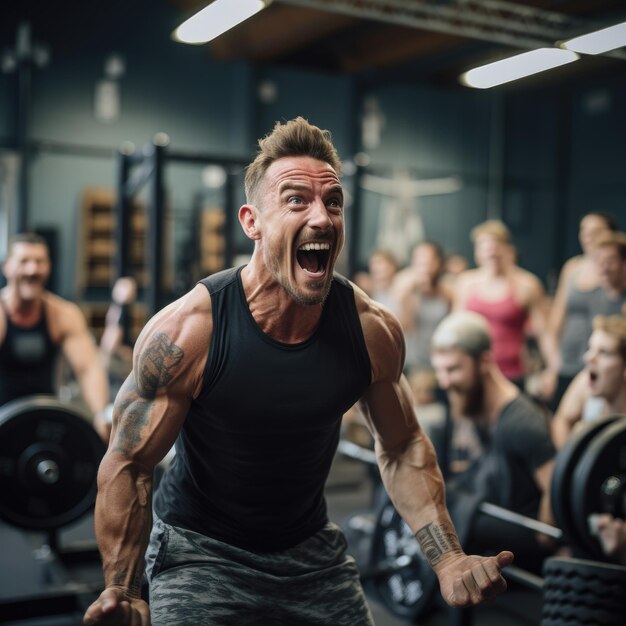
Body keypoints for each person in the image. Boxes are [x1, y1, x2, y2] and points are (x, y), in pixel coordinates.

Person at [83, 118, 512, 626]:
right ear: (251, 221)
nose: (323, 218)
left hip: (311, 555)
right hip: (201, 551)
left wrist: (447, 557)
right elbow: (129, 464)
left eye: (333, 203)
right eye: (296, 201)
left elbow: (401, 447)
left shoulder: (370, 330)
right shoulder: (189, 332)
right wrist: (123, 588)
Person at [430, 311, 556, 569]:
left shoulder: (521, 422)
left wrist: (545, 540)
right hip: (492, 505)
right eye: (439, 370)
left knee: (454, 515)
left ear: (484, 361)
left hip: (521, 532)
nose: (444, 381)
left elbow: (554, 487)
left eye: (453, 369)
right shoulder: (472, 402)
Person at [0, 232, 110, 440]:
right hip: (2, 420)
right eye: (24, 261)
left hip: (46, 420)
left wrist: (100, 415)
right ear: (8, 267)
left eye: (39, 262)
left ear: (48, 267)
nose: (33, 269)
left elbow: (88, 369)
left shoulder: (63, 314)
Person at [454, 220, 555, 390]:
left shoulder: (527, 285)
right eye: (484, 247)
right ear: (477, 252)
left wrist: (552, 370)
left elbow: (544, 333)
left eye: (495, 246)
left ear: (507, 249)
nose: (490, 251)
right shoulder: (465, 283)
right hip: (473, 373)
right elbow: (455, 329)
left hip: (511, 373)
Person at [543, 212, 619, 409]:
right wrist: (553, 366)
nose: (588, 236)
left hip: (600, 367)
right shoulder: (572, 268)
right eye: (584, 230)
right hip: (567, 363)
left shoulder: (614, 271)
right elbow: (555, 323)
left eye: (596, 231)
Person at [551, 307, 626, 449]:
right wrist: (572, 458)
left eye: (603, 352)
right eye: (590, 348)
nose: (588, 358)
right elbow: (561, 421)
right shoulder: (584, 381)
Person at [393, 240, 453, 374]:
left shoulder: (447, 290)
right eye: (419, 261)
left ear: (439, 263)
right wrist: (410, 295)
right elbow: (404, 327)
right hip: (411, 363)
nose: (425, 266)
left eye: (429, 261)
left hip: (438, 362)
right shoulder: (404, 287)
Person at [99, 276, 138, 402]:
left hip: (111, 358)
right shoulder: (121, 311)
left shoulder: (117, 309)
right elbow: (113, 336)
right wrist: (121, 352)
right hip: (116, 361)